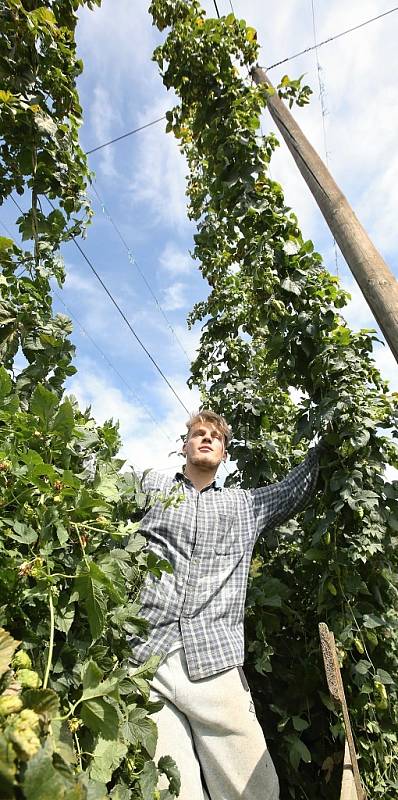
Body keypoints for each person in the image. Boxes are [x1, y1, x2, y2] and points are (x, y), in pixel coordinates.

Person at [128, 410, 321, 800]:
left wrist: (330, 441)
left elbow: (295, 487)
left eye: (213, 437)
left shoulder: (245, 505)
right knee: (171, 789)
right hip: (147, 657)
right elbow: (103, 479)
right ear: (183, 446)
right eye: (197, 434)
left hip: (214, 660)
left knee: (254, 787)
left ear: (224, 453)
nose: (204, 439)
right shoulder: (152, 487)